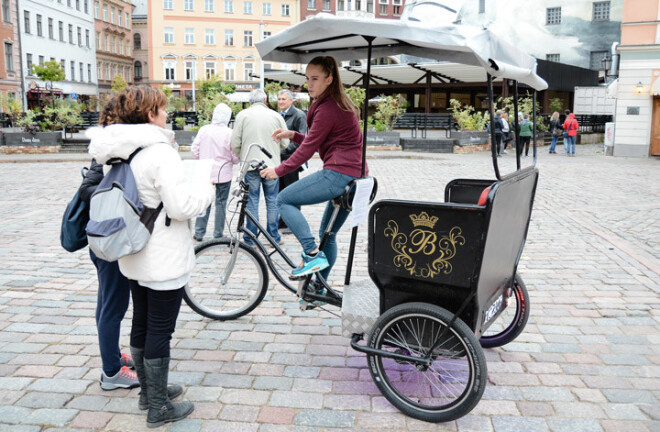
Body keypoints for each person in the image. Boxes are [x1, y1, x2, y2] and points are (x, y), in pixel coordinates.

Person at [88, 85, 214, 428]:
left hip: (135, 251)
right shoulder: (159, 152)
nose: (166, 113)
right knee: (160, 328)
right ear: (149, 114)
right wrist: (206, 191)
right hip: (162, 254)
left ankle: (148, 391)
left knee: (141, 322)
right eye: (162, 108)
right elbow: (180, 205)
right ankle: (158, 407)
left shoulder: (120, 150)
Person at [260, 56, 366, 281]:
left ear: (329, 79)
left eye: (315, 79)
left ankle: (311, 254)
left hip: (338, 174)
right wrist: (293, 134)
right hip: (355, 176)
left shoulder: (328, 107)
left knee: (283, 200)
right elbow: (319, 138)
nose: (309, 84)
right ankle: (320, 289)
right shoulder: (336, 102)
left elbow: (308, 149)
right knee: (328, 235)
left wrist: (279, 170)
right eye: (307, 78)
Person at [80, 99, 139, 391]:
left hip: (103, 234)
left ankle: (113, 356)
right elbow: (87, 188)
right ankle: (111, 372)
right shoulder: (111, 152)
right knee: (113, 306)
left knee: (108, 301)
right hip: (110, 236)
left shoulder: (109, 148)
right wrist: (114, 193)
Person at [231, 89, 289, 246]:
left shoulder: (242, 115)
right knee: (272, 200)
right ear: (265, 100)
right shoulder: (276, 116)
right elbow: (285, 142)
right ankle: (273, 237)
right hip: (271, 165)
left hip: (250, 164)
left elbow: (235, 143)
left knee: (252, 200)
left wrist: (242, 156)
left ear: (251, 101)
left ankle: (250, 238)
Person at [191, 103, 238, 241]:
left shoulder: (204, 130)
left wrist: (201, 159)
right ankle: (218, 233)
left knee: (204, 202)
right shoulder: (230, 133)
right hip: (224, 172)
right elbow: (234, 155)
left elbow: (194, 149)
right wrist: (233, 161)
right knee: (221, 204)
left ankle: (199, 232)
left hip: (205, 171)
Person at [277, 89, 308, 234]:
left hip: (292, 160)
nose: (281, 101)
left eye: (284, 99)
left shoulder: (299, 115)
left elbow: (302, 139)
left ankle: (294, 223)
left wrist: (284, 150)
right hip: (280, 160)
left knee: (292, 191)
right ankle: (283, 221)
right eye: (279, 99)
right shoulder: (278, 115)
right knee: (281, 191)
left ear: (291, 100)